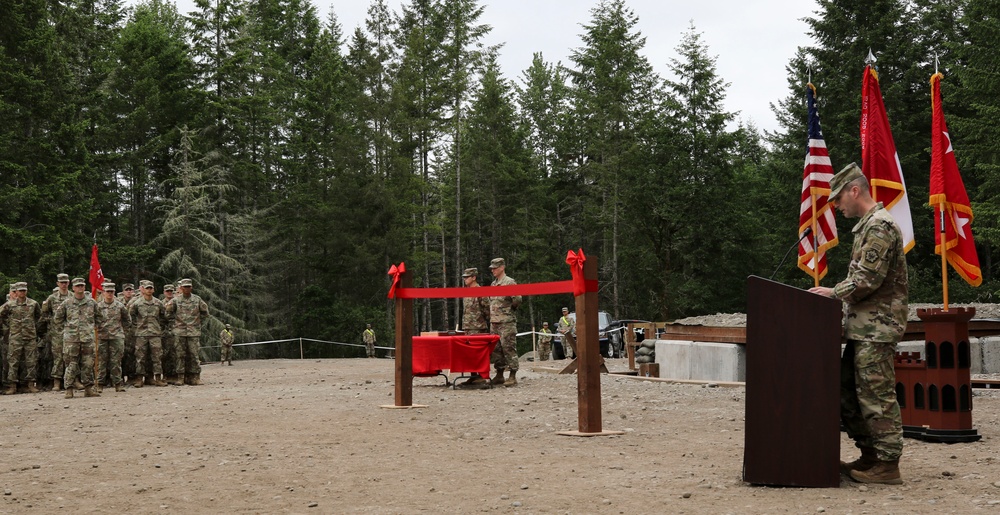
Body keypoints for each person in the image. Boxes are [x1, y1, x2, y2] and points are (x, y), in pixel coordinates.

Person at [807, 163, 908, 485]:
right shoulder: (868, 225)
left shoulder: (880, 226)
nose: (836, 206)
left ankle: (888, 465)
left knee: (876, 396)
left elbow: (866, 280)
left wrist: (831, 292)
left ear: (855, 190)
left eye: (838, 199)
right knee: (850, 393)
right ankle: (870, 455)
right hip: (863, 328)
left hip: (877, 330)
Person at [56, 277, 105, 398]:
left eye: (82, 286)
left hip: (87, 338)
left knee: (88, 364)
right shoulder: (67, 303)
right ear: (73, 288)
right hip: (71, 340)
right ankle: (69, 388)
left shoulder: (91, 302)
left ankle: (88, 388)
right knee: (71, 364)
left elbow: (100, 318)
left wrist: (92, 327)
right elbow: (57, 318)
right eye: (77, 286)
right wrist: (68, 329)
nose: (80, 288)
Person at [164, 278, 209, 385]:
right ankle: (180, 377)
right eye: (185, 287)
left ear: (191, 287)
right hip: (179, 332)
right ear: (181, 288)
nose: (187, 289)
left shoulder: (197, 300)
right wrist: (175, 324)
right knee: (180, 355)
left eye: (188, 286)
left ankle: (195, 377)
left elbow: (205, 313)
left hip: (193, 332)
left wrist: (197, 323)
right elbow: (167, 314)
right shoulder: (175, 300)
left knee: (194, 355)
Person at [0, 282, 42, 394]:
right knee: (13, 361)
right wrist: (8, 325)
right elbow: (1, 315)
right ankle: (12, 386)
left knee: (31, 361)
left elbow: (39, 317)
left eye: (24, 290)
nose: (22, 292)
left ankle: (30, 384)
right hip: (15, 337)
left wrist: (33, 328)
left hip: (30, 337)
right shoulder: (10, 304)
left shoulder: (33, 304)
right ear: (16, 292)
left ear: (26, 291)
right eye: (20, 290)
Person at [488, 258, 521, 387]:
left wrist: (509, 310)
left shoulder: (509, 282)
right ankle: (499, 374)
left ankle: (512, 375)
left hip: (506, 322)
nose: (493, 270)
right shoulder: (493, 284)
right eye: (492, 268)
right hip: (494, 322)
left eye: (495, 268)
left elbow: (517, 299)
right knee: (496, 350)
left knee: (509, 348)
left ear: (502, 267)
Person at [130, 280, 168, 386]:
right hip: (141, 334)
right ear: (143, 290)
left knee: (157, 357)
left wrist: (159, 327)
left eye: (151, 288)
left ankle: (157, 378)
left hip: (155, 334)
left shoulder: (158, 303)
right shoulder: (137, 303)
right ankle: (139, 379)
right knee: (140, 357)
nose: (149, 290)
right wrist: (136, 327)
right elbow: (131, 316)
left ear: (154, 290)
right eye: (147, 288)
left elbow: (164, 317)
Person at [95, 282, 132, 392]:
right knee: (101, 362)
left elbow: (128, 320)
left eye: (111, 291)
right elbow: (93, 320)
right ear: (103, 292)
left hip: (117, 337)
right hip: (102, 337)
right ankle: (100, 384)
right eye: (108, 291)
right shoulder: (98, 306)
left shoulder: (120, 306)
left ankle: (117, 384)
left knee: (116, 361)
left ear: (114, 292)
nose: (110, 294)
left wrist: (121, 331)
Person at [459, 267, 490, 386]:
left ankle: (481, 376)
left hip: (478, 327)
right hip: (468, 326)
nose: (465, 279)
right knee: (469, 353)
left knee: (478, 353)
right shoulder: (466, 292)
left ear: (474, 278)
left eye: (467, 277)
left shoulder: (480, 291)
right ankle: (473, 375)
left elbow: (486, 309)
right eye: (464, 277)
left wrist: (483, 322)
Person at [41, 274, 72, 390]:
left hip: (71, 332)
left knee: (71, 357)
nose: (64, 284)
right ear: (58, 284)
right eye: (62, 282)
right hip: (57, 333)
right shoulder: (52, 298)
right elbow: (44, 313)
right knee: (58, 357)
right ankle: (57, 382)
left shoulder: (73, 297)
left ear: (69, 284)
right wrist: (52, 322)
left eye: (66, 282)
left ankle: (73, 380)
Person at [160, 283, 181, 385]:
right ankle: (167, 375)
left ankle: (176, 375)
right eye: (167, 291)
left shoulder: (177, 302)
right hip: (165, 332)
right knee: (166, 354)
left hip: (177, 331)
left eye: (171, 291)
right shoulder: (161, 303)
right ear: (164, 292)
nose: (169, 293)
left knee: (176, 354)